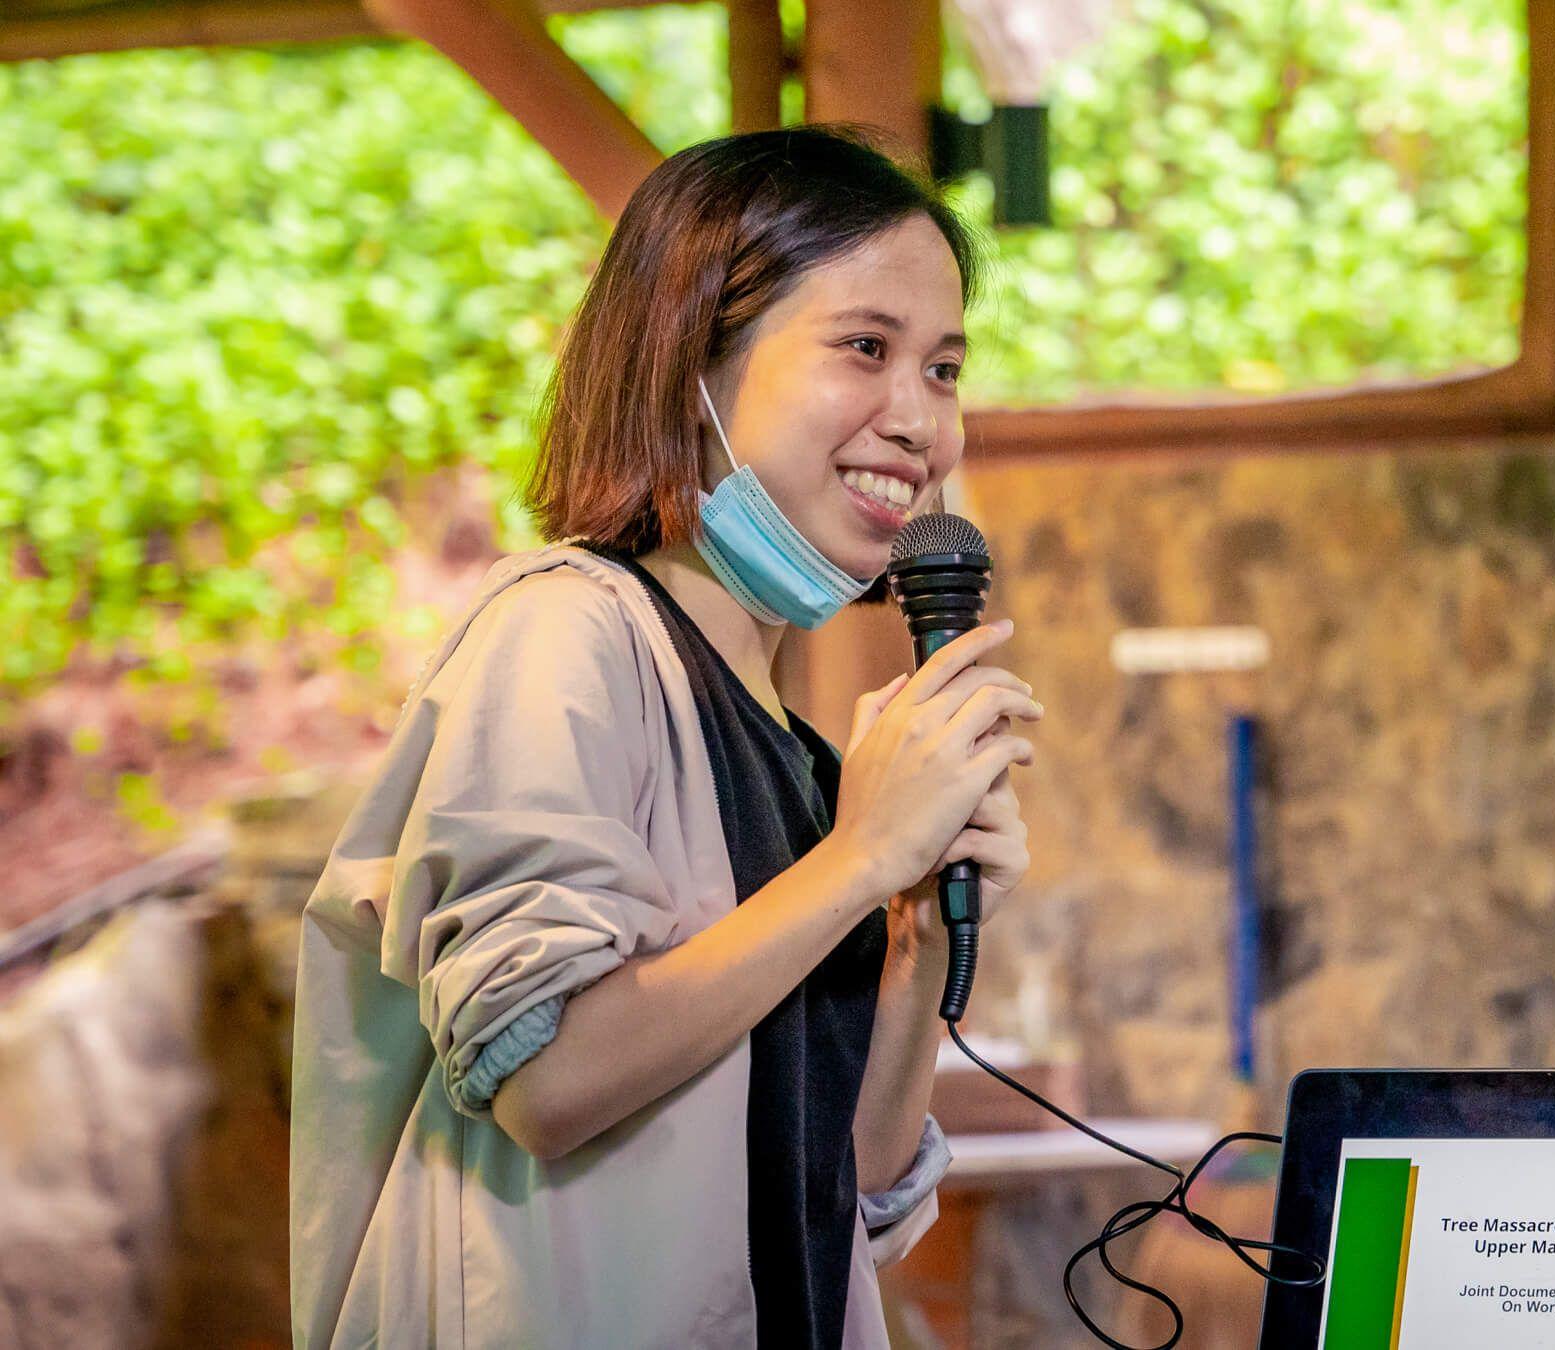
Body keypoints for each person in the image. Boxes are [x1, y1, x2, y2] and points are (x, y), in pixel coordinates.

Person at [288, 125, 1039, 1349]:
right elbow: (546, 1074)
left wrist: (907, 938)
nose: (921, 421)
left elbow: (839, 1182)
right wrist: (855, 861)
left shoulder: (798, 752)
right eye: (866, 348)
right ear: (691, 360)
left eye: (946, 369)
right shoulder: (560, 636)